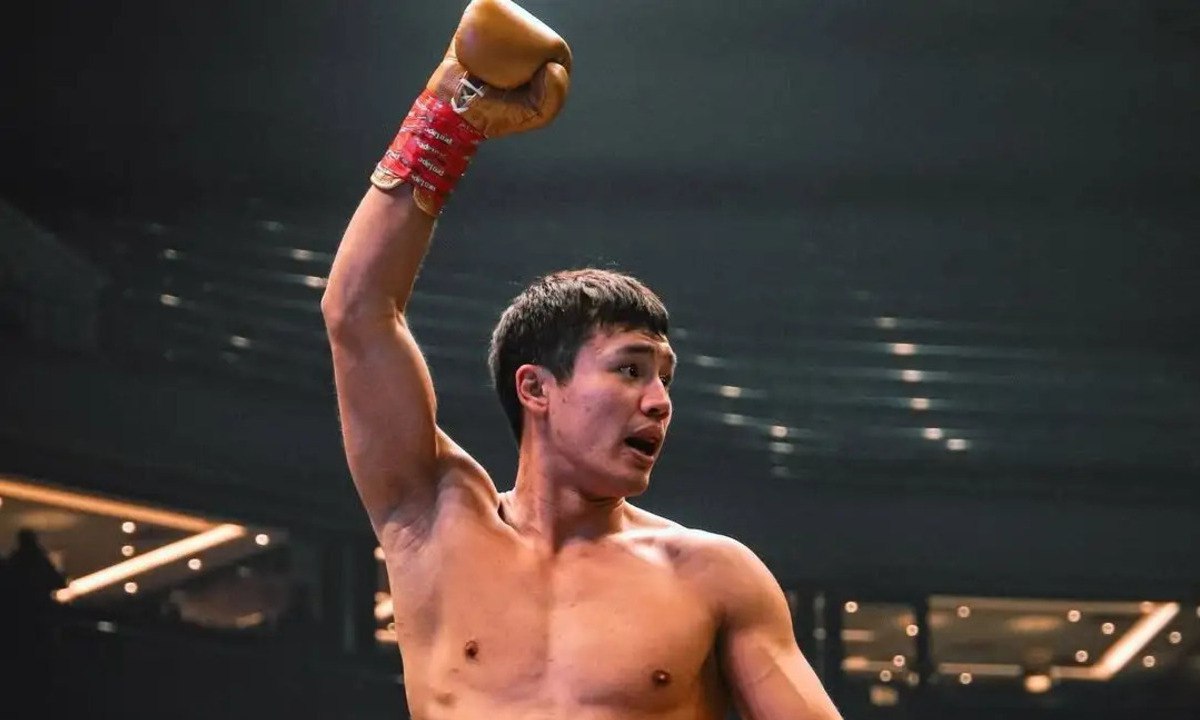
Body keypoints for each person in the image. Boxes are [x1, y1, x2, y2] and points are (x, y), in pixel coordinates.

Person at [321, 1, 843, 718]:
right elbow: (356, 313)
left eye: (665, 378)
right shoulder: (433, 521)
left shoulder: (711, 576)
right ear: (536, 388)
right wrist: (449, 116)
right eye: (630, 369)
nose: (659, 401)